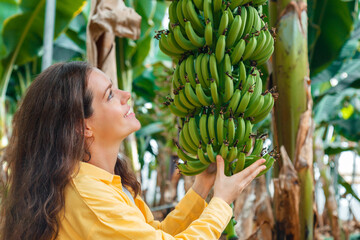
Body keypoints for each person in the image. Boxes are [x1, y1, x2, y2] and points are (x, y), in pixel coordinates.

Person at [0, 61, 267, 240]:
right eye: (109, 95)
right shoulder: (88, 197)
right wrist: (221, 203)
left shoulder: (104, 183)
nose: (126, 94)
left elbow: (152, 232)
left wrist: (201, 189)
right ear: (84, 128)